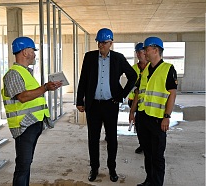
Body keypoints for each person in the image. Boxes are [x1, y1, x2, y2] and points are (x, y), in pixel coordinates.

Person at [76, 28, 137, 182]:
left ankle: (112, 168)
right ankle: (94, 168)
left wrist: (122, 95)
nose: (101, 45)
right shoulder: (89, 57)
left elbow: (133, 76)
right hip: (93, 106)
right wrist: (79, 100)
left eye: (104, 42)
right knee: (93, 138)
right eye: (99, 42)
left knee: (112, 139)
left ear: (111, 43)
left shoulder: (118, 58)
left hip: (111, 105)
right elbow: (83, 79)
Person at [1, 36, 62, 186]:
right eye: (33, 51)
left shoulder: (26, 72)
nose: (35, 54)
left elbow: (33, 95)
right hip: (23, 126)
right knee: (23, 166)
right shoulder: (13, 73)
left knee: (26, 164)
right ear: (25, 52)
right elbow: (22, 97)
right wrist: (45, 88)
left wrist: (47, 88)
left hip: (33, 123)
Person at [131, 37, 177, 186]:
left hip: (158, 119)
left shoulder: (168, 69)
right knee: (148, 153)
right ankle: (149, 180)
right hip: (143, 116)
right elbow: (139, 92)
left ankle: (156, 183)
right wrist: (133, 112)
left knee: (157, 155)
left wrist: (167, 117)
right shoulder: (145, 71)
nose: (144, 52)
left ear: (155, 50)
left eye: (146, 49)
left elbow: (172, 94)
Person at [128, 42, 148, 154]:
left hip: (147, 102)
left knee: (147, 125)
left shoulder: (151, 68)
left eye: (140, 52)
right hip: (133, 101)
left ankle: (147, 145)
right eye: (137, 52)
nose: (138, 54)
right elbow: (131, 85)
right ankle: (142, 144)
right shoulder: (133, 68)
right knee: (138, 125)